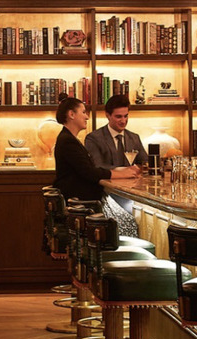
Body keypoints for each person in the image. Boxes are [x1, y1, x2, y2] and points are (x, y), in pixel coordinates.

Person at [52, 95, 140, 236]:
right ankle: (116, 255)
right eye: (83, 112)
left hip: (85, 202)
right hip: (82, 205)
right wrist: (122, 174)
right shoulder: (68, 141)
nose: (87, 117)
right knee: (129, 222)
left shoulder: (69, 139)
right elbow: (90, 172)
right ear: (71, 114)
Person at [85, 94, 148, 170]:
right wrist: (124, 171)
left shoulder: (134, 138)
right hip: (106, 181)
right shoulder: (94, 138)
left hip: (132, 181)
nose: (123, 121)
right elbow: (97, 166)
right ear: (108, 116)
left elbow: (145, 163)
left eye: (126, 116)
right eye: (118, 117)